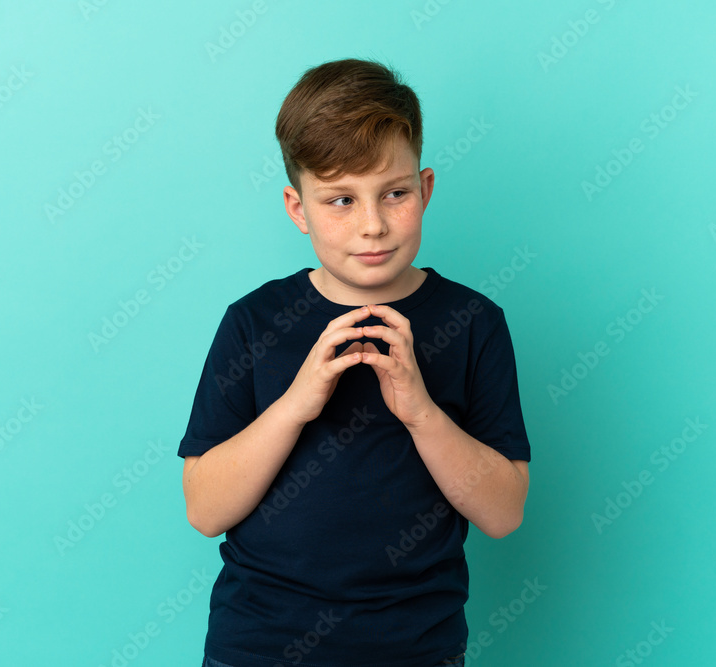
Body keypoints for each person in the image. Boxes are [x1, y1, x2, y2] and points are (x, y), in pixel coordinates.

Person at [178, 57, 531, 667]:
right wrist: (295, 405)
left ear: (424, 190)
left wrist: (420, 411)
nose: (372, 225)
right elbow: (206, 510)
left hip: (415, 648)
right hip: (258, 646)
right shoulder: (254, 322)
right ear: (298, 208)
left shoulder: (474, 323)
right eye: (340, 199)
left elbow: (503, 513)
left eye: (393, 194)